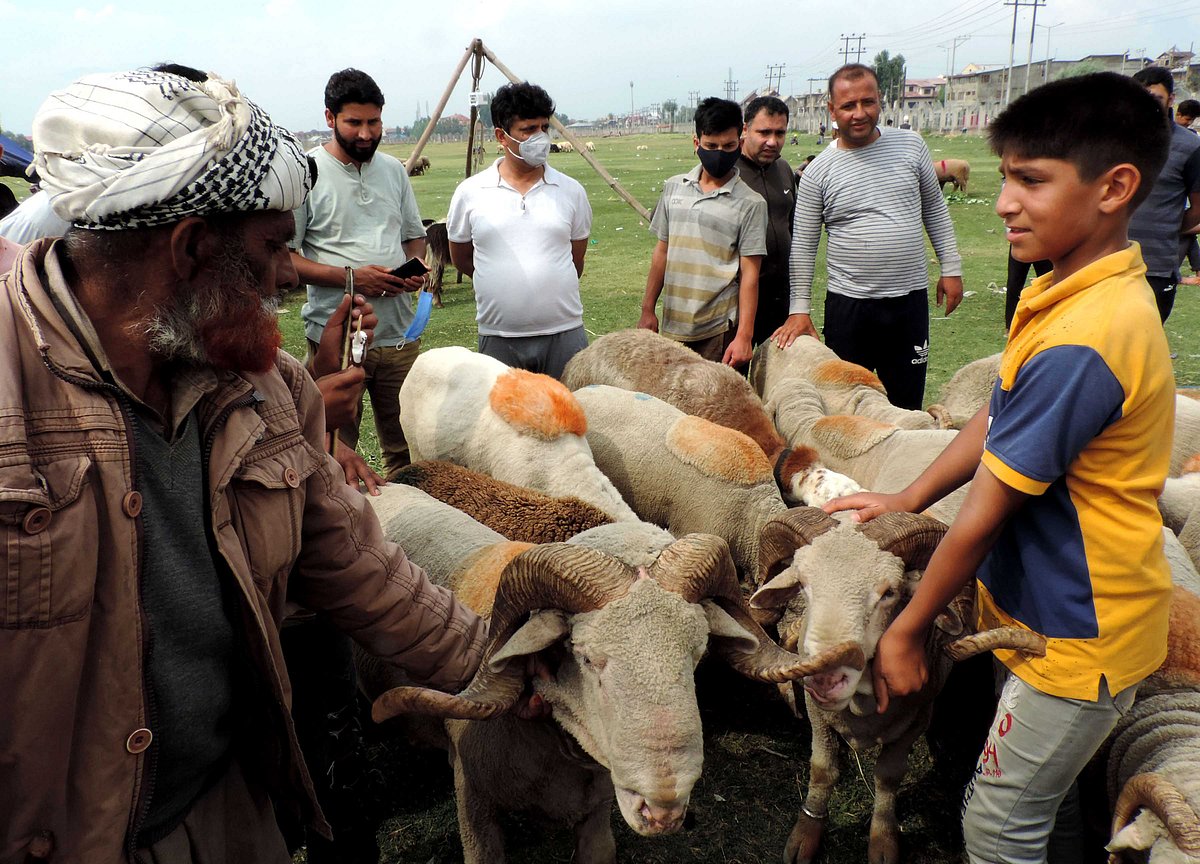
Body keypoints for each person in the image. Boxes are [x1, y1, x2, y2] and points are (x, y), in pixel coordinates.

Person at [0, 67, 492, 864]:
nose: (280, 277)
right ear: (191, 248)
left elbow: (354, 561)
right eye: (270, 249)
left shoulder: (264, 388)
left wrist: (491, 656)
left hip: (225, 815)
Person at [826, 72, 1173, 864]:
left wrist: (908, 631)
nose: (1005, 201)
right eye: (1006, 176)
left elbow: (986, 513)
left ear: (1115, 187)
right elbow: (997, 415)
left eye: (1031, 180)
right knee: (1046, 810)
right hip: (1048, 609)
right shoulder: (1065, 292)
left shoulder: (1089, 336)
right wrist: (911, 495)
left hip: (1077, 630)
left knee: (997, 821)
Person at [776, 63, 963, 410]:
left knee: (906, 404)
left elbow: (934, 209)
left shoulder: (911, 146)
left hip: (908, 304)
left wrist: (951, 268)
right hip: (850, 309)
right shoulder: (817, 173)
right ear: (831, 110)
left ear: (881, 101)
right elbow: (803, 245)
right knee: (848, 406)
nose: (859, 113)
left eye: (868, 102)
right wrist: (799, 309)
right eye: (848, 106)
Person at [291, 68, 427, 481]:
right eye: (354, 122)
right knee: (331, 449)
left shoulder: (393, 170)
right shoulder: (306, 173)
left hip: (399, 337)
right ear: (330, 118)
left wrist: (414, 269)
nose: (366, 133)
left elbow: (414, 237)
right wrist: (355, 279)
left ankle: (412, 533)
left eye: (374, 122)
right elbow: (286, 260)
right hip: (336, 338)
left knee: (407, 450)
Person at [446, 81, 592, 379]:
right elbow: (462, 258)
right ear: (502, 136)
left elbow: (575, 260)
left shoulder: (571, 191)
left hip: (564, 333)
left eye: (544, 127)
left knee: (568, 420)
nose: (539, 137)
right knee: (503, 424)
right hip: (499, 336)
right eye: (528, 129)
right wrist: (498, 278)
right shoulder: (470, 192)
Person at [639, 97, 767, 366]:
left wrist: (744, 335)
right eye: (711, 146)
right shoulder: (673, 188)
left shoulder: (751, 203)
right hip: (674, 325)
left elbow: (750, 274)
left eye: (728, 145)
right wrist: (648, 309)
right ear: (697, 143)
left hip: (718, 330)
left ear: (740, 144)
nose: (720, 152)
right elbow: (661, 253)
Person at [1128, 66, 1200, 322]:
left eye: (1155, 98)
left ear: (1171, 100)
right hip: (1108, 263)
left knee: (1143, 350)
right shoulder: (1114, 140)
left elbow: (1198, 209)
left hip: (1155, 268)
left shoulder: (1189, 146)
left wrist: (1168, 227)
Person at [737, 96, 797, 345]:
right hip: (736, 306)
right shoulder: (725, 174)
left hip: (781, 303)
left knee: (776, 379)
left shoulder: (783, 170)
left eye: (779, 133)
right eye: (764, 132)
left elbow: (791, 227)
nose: (772, 141)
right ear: (745, 129)